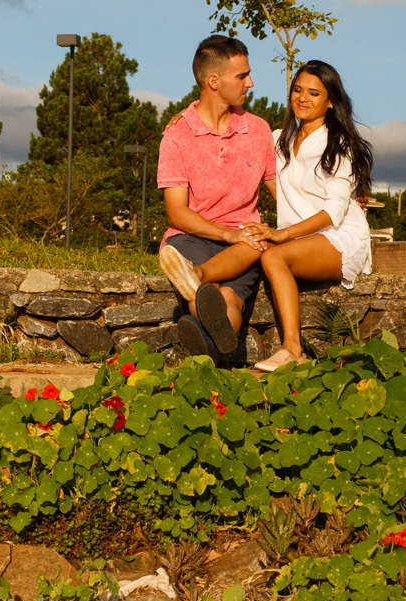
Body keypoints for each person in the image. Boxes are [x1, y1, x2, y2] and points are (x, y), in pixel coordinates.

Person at [162, 60, 373, 372]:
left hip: (338, 236)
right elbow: (223, 124)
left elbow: (334, 211)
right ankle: (197, 276)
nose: (303, 97)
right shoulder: (276, 139)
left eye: (314, 93)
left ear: (331, 102)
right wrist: (185, 117)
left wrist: (281, 234)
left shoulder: (338, 144)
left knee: (273, 256)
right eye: (297, 90)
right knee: (253, 237)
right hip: (297, 239)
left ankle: (292, 350)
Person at [157, 35, 276, 363]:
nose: (250, 83)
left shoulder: (259, 130)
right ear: (213, 81)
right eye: (242, 76)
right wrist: (229, 233)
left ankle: (208, 351)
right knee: (209, 297)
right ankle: (217, 350)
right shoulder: (177, 136)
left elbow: (284, 192)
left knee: (228, 299)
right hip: (192, 238)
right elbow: (177, 214)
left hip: (244, 245)